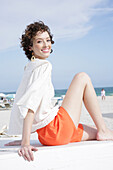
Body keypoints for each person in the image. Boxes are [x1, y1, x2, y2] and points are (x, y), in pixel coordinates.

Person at [5, 21, 113, 162]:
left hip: (47, 137)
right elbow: (29, 105)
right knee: (82, 77)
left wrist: (23, 138)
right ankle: (104, 130)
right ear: (30, 47)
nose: (46, 45)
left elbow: (23, 105)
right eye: (39, 41)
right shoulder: (44, 66)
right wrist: (25, 142)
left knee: (96, 130)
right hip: (56, 129)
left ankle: (103, 130)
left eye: (48, 40)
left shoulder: (29, 67)